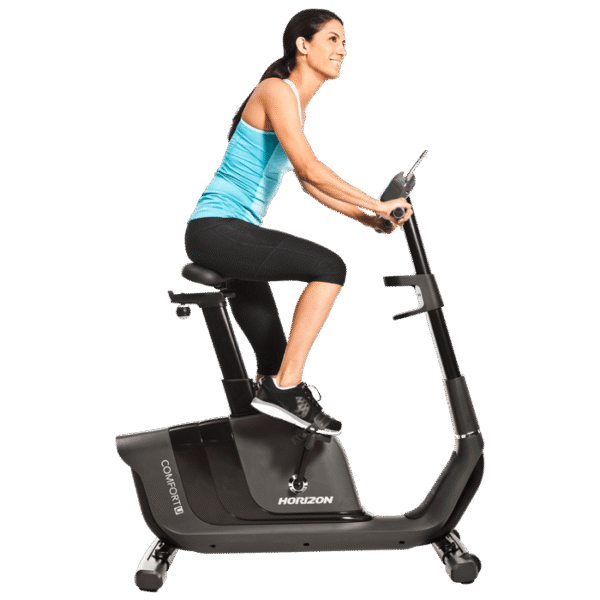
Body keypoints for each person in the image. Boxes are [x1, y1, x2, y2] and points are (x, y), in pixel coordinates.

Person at [184, 8, 412, 433]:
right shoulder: (275, 90)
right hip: (216, 229)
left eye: (344, 42)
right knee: (329, 267)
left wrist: (369, 219)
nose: (342, 50)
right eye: (332, 39)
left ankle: (274, 405)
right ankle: (288, 387)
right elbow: (310, 169)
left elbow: (309, 185)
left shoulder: (293, 105)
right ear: (302, 45)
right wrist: (377, 205)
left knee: (272, 365)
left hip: (233, 233)